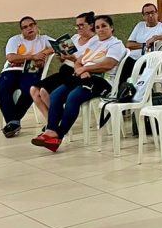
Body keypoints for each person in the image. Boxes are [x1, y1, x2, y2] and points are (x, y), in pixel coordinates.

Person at [32, 15, 127, 152]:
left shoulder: (115, 44)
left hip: (101, 80)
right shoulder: (95, 43)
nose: (100, 30)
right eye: (98, 27)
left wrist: (86, 69)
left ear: (111, 28)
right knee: (55, 95)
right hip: (83, 76)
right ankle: (50, 130)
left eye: (104, 26)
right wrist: (81, 70)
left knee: (73, 97)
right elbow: (78, 61)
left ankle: (58, 136)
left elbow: (108, 64)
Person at [30, 12, 97, 123]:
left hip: (76, 73)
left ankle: (56, 121)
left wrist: (74, 59)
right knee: (34, 90)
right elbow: (63, 59)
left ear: (91, 25)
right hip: (64, 71)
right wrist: (61, 56)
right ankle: (50, 121)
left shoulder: (96, 41)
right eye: (77, 25)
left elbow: (90, 62)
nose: (78, 28)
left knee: (44, 92)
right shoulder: (75, 37)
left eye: (81, 25)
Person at [0, 17, 53, 138]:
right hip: (11, 70)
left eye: (31, 25)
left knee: (30, 88)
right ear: (22, 30)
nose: (29, 28)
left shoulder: (44, 39)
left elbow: (61, 45)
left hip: (31, 70)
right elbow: (11, 57)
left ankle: (13, 122)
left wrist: (44, 53)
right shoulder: (14, 40)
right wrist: (33, 57)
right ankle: (13, 121)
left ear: (36, 26)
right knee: (3, 87)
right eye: (25, 27)